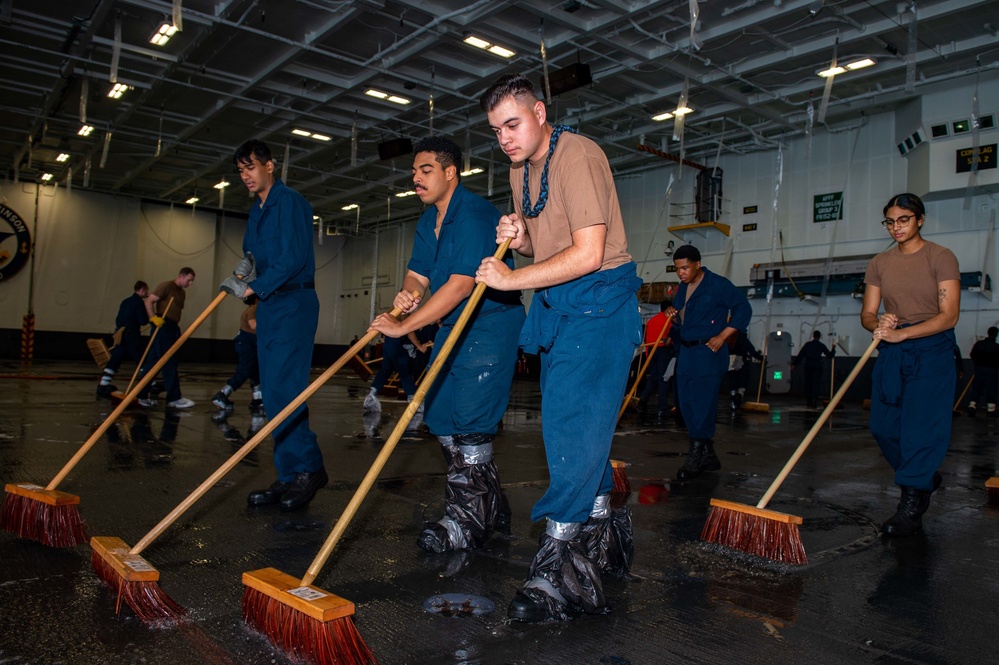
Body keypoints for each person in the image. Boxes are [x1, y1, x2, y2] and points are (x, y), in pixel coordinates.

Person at [476, 74, 641, 623]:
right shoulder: (519, 167)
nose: (505, 138)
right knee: (576, 430)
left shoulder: (579, 154)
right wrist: (520, 240)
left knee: (571, 427)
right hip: (559, 309)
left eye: (513, 124)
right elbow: (547, 240)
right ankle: (601, 544)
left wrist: (508, 280)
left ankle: (559, 568)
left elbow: (589, 252)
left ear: (540, 112)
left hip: (598, 307)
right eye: (497, 130)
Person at [369, 135, 525, 554]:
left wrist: (404, 329)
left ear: (450, 172)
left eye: (425, 171)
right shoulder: (427, 220)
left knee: (471, 424)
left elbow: (458, 286)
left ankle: (465, 523)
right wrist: (405, 298)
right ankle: (490, 505)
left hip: (488, 325)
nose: (416, 179)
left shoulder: (473, 215)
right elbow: (419, 276)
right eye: (414, 172)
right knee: (439, 416)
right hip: (452, 328)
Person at [227, 139, 327, 512]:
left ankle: (309, 469)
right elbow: (253, 254)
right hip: (270, 306)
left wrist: (256, 285)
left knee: (287, 390)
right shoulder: (258, 211)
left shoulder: (292, 203)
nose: (246, 176)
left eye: (250, 167)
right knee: (271, 394)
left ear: (270, 166)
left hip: (294, 303)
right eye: (240, 171)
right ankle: (288, 474)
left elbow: (293, 257)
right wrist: (244, 271)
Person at [863, 192, 960, 537]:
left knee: (921, 428)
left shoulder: (941, 257)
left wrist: (905, 334)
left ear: (920, 219)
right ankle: (924, 477)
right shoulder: (880, 263)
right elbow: (867, 313)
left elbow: (948, 316)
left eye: (903, 219)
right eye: (890, 221)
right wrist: (878, 324)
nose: (896, 227)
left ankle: (911, 502)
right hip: (892, 349)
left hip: (931, 348)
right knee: (883, 426)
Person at [664, 244, 751, 480]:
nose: (681, 273)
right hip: (687, 352)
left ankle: (696, 453)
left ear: (697, 264)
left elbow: (744, 309)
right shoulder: (682, 288)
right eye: (677, 269)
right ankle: (709, 455)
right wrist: (673, 316)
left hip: (708, 352)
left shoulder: (718, 285)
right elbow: (683, 321)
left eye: (685, 268)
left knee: (702, 403)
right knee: (685, 403)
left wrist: (723, 336)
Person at [135, 268, 196, 409]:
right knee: (169, 360)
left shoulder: (182, 293)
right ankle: (174, 398)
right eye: (188, 280)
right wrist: (153, 318)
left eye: (192, 281)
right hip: (162, 324)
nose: (190, 283)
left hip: (173, 327)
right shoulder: (166, 286)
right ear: (181, 276)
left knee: (153, 363)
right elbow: (149, 302)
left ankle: (140, 395)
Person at [211, 296, 265, 416]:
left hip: (249, 344)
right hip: (247, 344)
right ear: (256, 299)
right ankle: (222, 394)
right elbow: (253, 325)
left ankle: (257, 399)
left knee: (255, 372)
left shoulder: (252, 308)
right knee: (244, 371)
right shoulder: (254, 309)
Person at [96, 280, 149, 399]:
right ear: (141, 290)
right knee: (141, 360)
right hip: (132, 336)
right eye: (146, 290)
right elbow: (143, 321)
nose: (147, 293)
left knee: (116, 359)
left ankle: (103, 384)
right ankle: (149, 384)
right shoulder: (139, 303)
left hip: (121, 334)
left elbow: (118, 318)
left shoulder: (125, 301)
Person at [362, 331, 427, 426]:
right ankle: (415, 402)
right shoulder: (403, 315)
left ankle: (372, 395)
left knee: (385, 370)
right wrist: (419, 346)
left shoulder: (389, 316)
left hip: (389, 343)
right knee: (404, 372)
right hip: (398, 344)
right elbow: (409, 330)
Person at [637, 300, 674, 424]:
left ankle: (643, 400)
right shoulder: (668, 320)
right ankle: (662, 407)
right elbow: (667, 340)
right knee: (664, 378)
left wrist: (648, 354)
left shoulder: (652, 321)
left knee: (653, 377)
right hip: (662, 350)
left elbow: (647, 337)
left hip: (652, 350)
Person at [793, 330, 835, 408]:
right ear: (819, 337)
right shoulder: (821, 345)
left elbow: (801, 355)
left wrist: (794, 364)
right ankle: (815, 401)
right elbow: (829, 355)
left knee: (808, 383)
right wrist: (833, 349)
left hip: (808, 365)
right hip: (817, 365)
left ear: (813, 336)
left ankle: (809, 401)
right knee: (816, 384)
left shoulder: (807, 345)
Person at [966, 327, 999, 416]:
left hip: (979, 368)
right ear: (996, 334)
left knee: (977, 387)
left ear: (988, 333)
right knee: (991, 388)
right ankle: (991, 409)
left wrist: (978, 363)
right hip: (992, 369)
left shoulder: (979, 344)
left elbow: (972, 355)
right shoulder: (996, 347)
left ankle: (972, 405)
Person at [727, 330, 763, 410]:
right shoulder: (744, 340)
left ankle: (732, 397)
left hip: (730, 361)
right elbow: (752, 351)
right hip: (741, 361)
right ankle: (740, 394)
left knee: (732, 379)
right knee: (743, 379)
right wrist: (761, 358)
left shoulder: (729, 339)